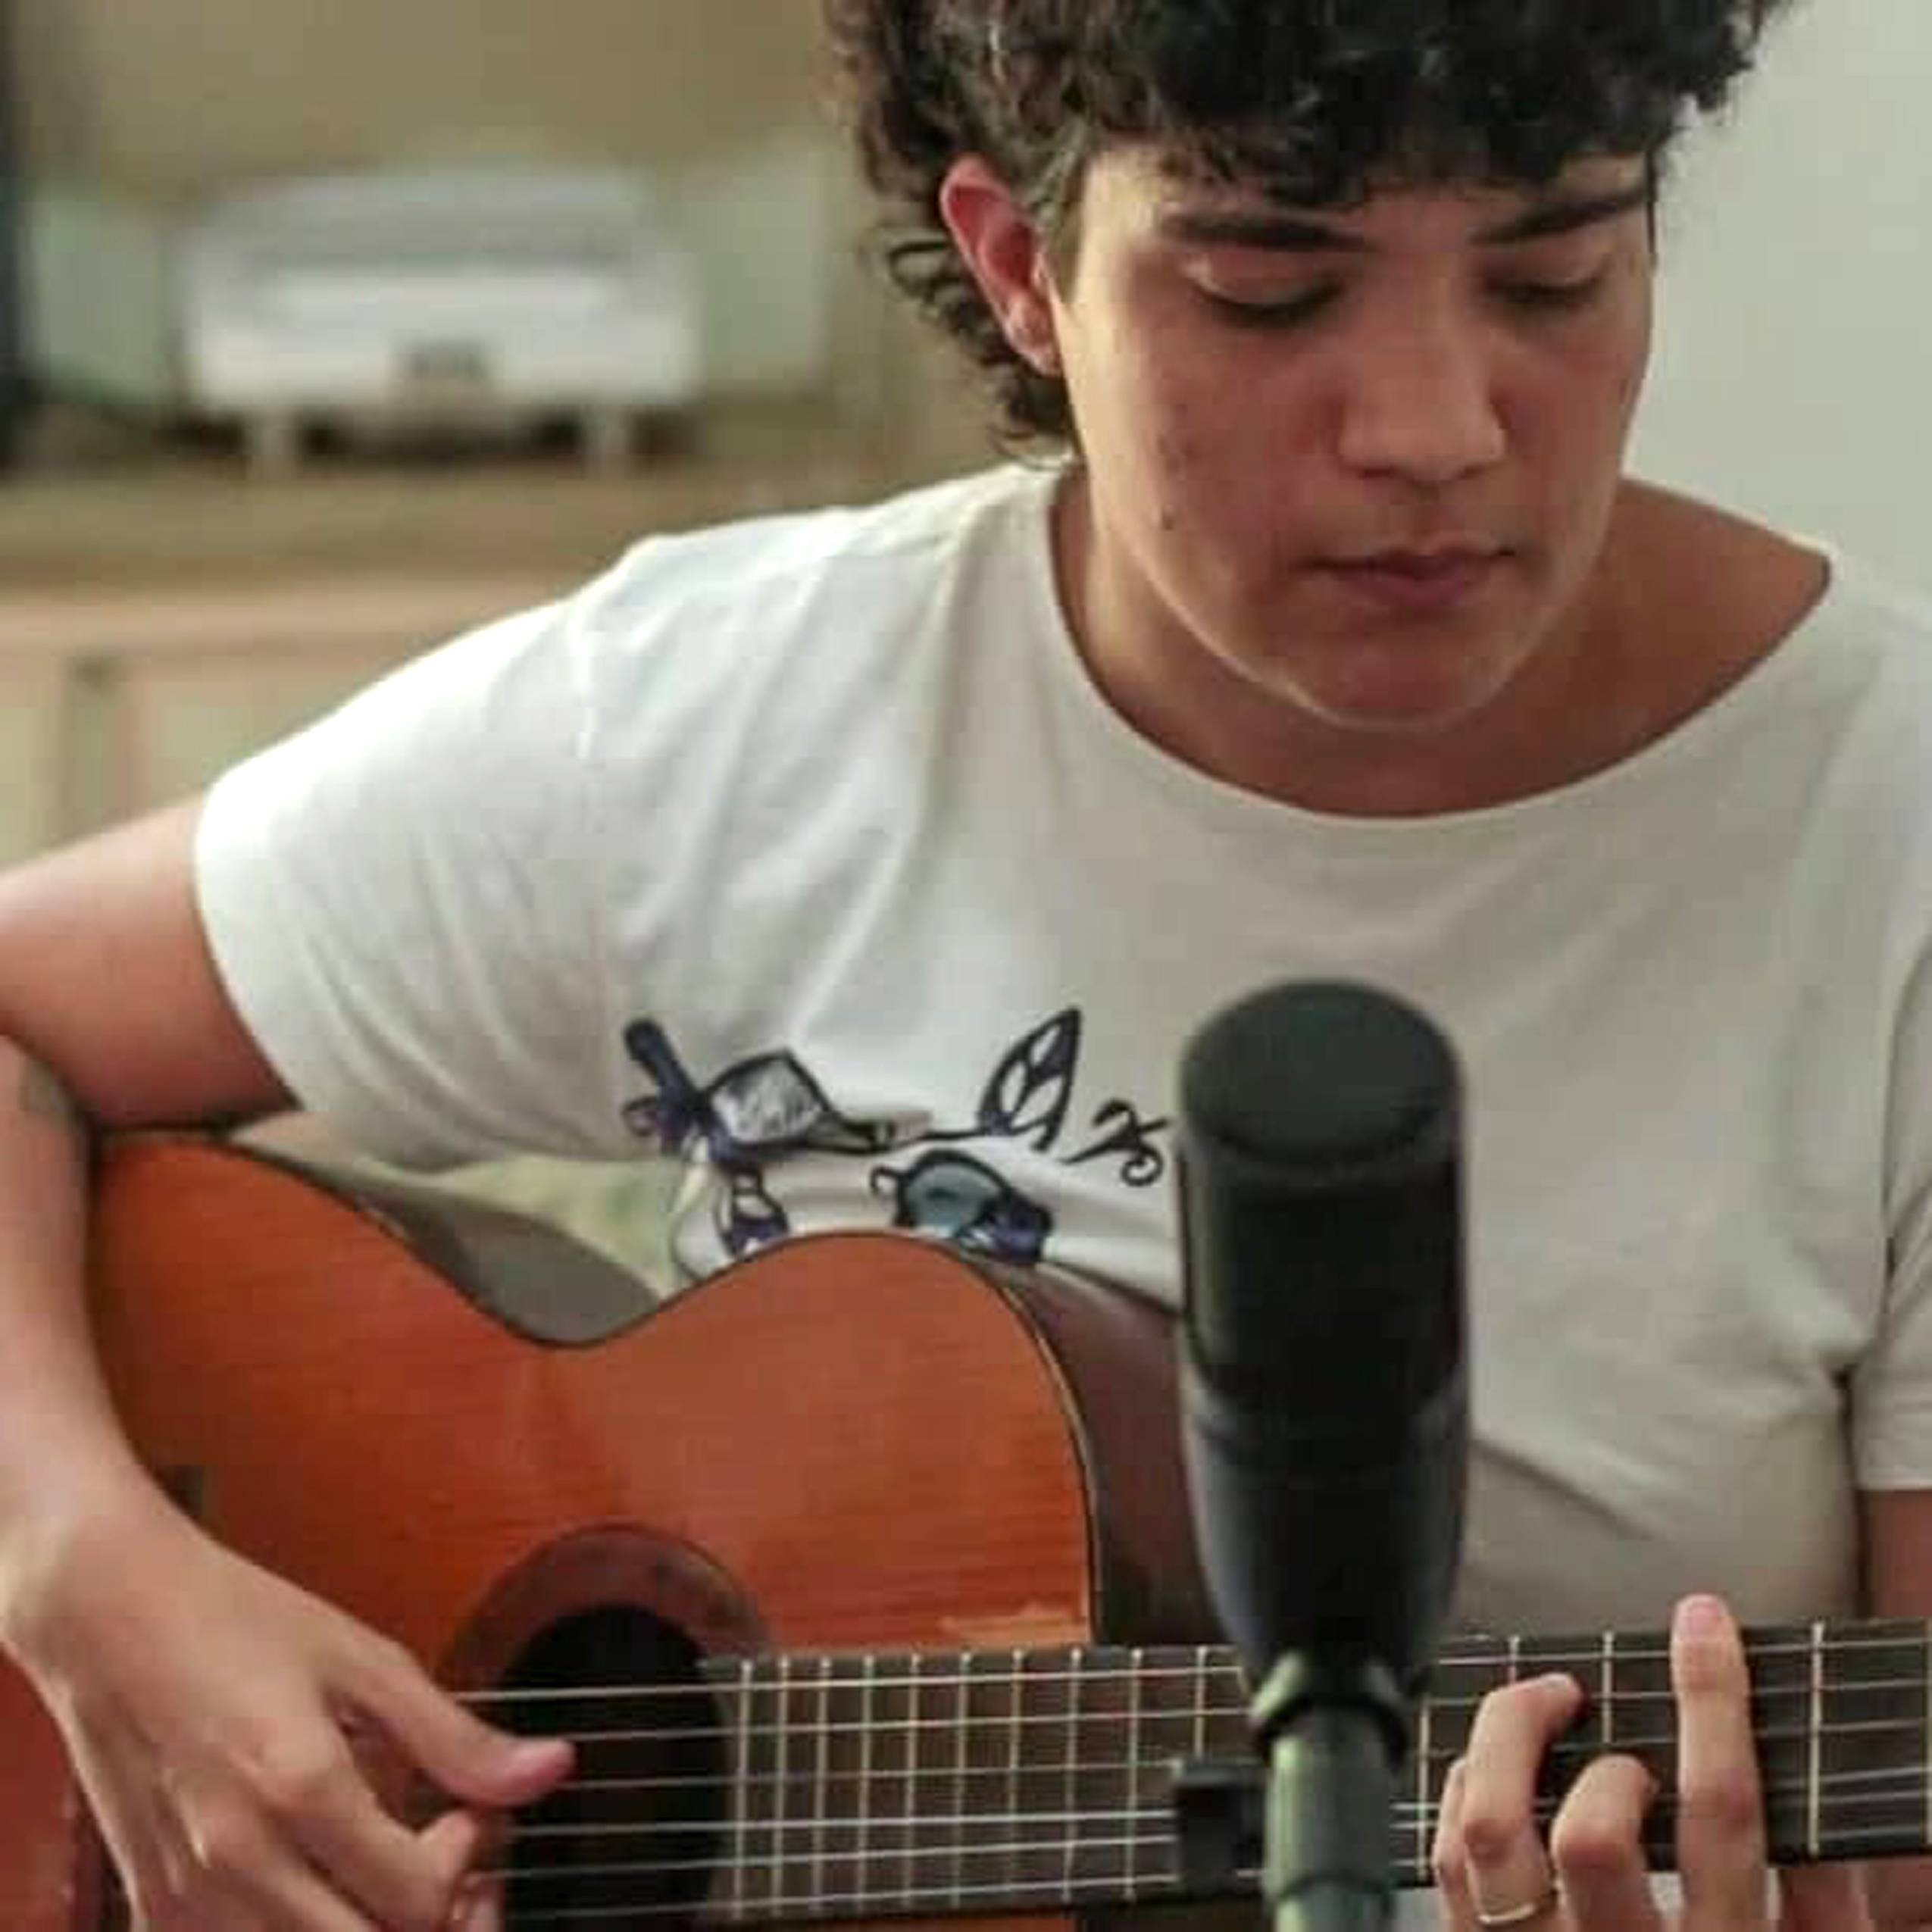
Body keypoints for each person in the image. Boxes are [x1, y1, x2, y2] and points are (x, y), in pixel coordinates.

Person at [0, 0, 1924, 1926]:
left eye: (1554, 272)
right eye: (1267, 291)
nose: (1432, 429)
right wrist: (81, 1563)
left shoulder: (1887, 832)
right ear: (1022, 267)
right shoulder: (736, 718)